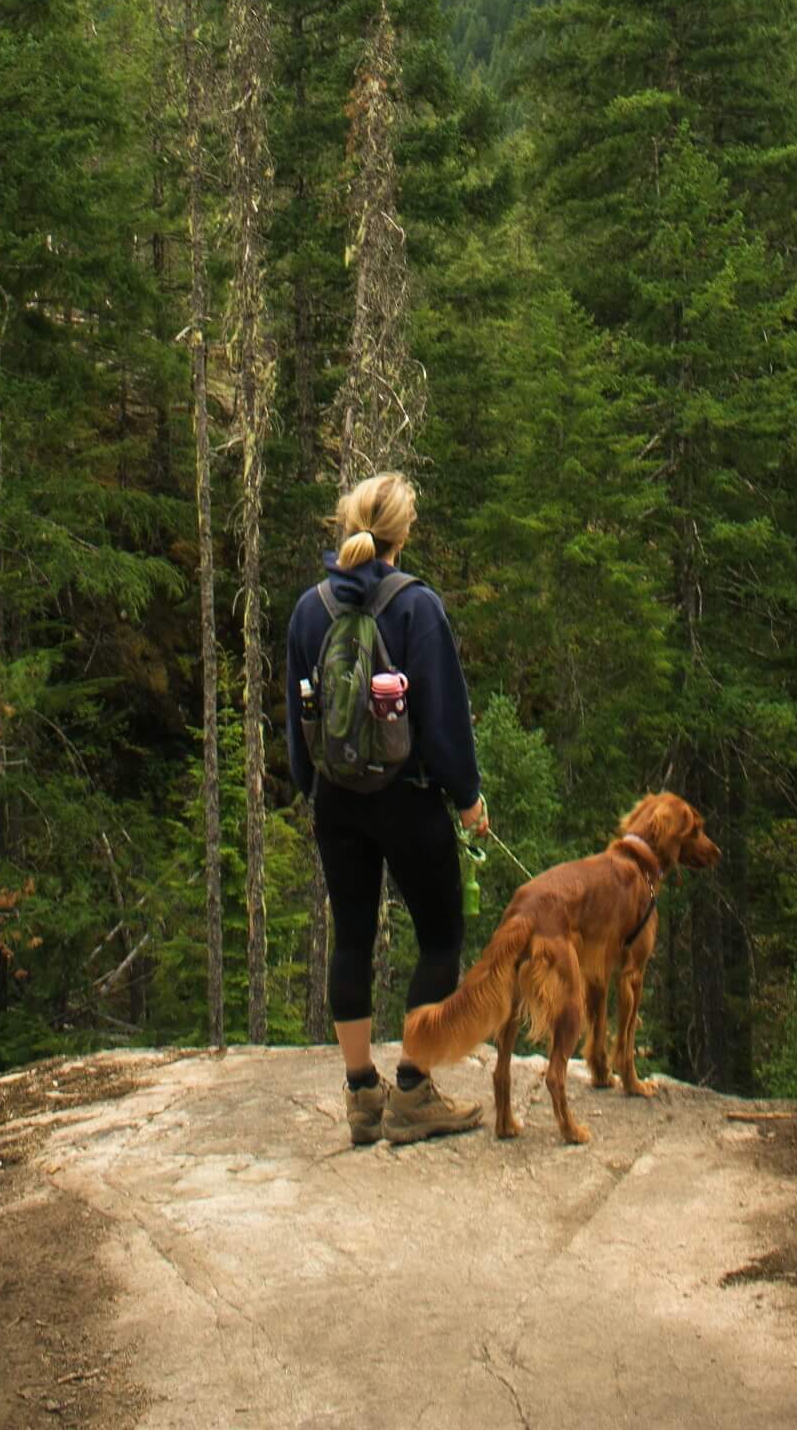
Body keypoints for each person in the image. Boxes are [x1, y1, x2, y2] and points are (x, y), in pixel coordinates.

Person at [286, 470, 489, 1145]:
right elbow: (444, 718)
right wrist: (467, 800)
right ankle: (412, 1090)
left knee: (351, 938)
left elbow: (297, 718)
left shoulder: (309, 608)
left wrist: (307, 787)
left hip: (337, 803)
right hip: (408, 800)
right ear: (404, 534)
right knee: (439, 938)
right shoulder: (416, 607)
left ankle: (360, 1095)